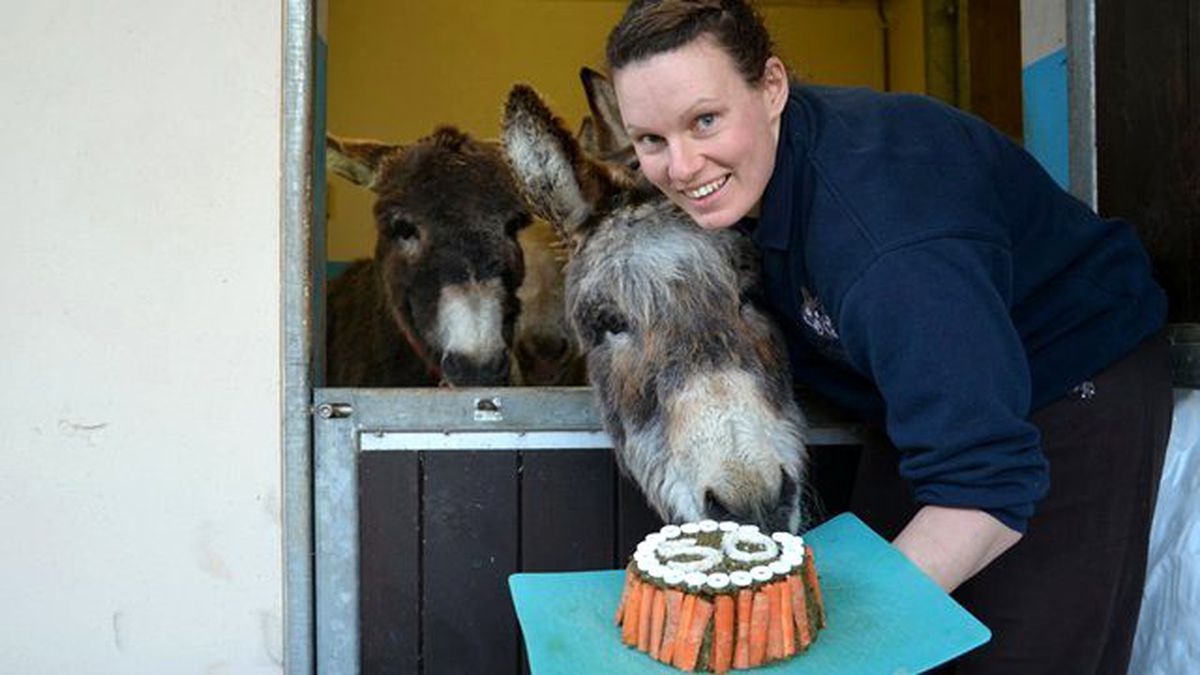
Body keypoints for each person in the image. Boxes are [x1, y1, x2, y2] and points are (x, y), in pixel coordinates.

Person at [603, 1, 1174, 673]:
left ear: (773, 87)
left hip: (1069, 378)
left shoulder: (885, 239)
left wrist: (839, 645)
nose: (682, 166)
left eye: (705, 120)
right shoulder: (749, 184)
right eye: (650, 140)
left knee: (998, 650)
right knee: (878, 624)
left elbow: (986, 486)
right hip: (925, 398)